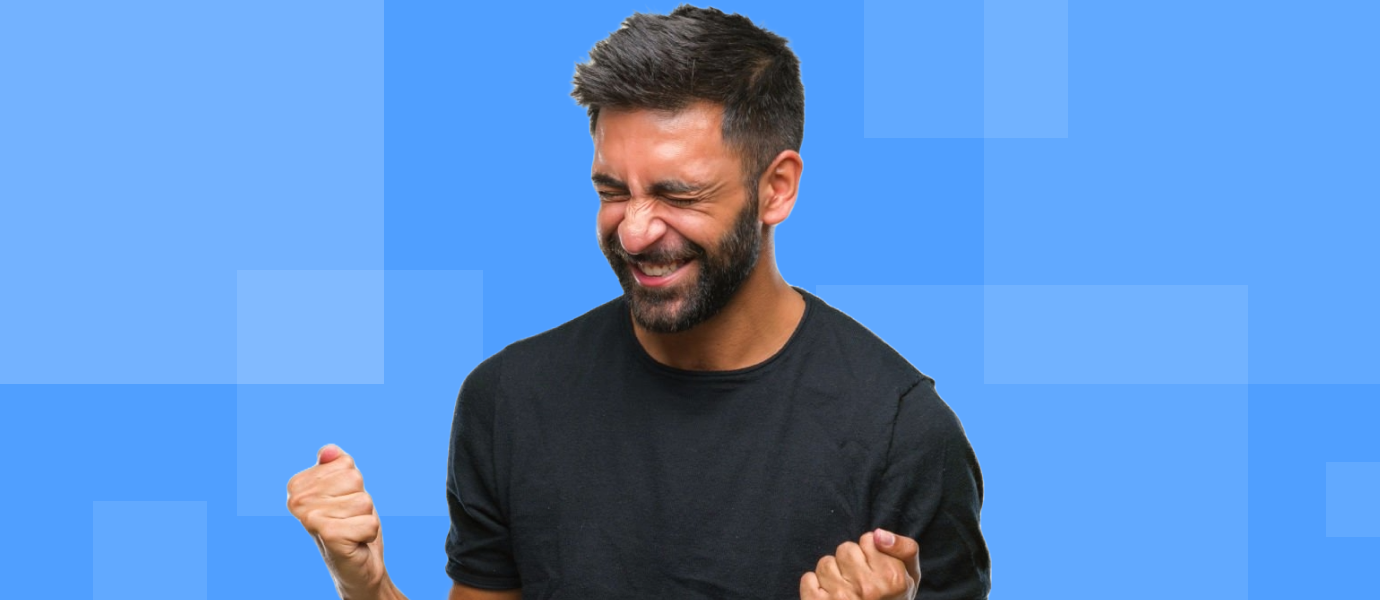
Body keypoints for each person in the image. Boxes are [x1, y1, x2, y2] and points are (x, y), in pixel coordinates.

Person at [287, 5, 991, 600]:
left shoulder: (902, 435)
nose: (633, 231)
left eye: (677, 194)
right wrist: (366, 585)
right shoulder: (508, 401)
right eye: (612, 191)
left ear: (775, 189)